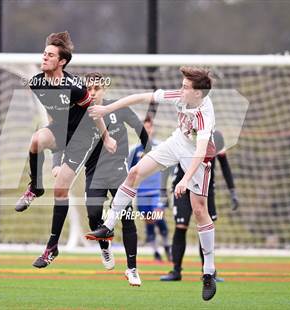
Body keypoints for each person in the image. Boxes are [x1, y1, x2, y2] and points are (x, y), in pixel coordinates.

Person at [85, 67, 218, 301]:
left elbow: (199, 152)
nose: (181, 89)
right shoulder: (180, 96)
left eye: (186, 87)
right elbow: (140, 97)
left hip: (199, 156)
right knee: (135, 172)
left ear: (198, 93)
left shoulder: (204, 115)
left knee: (199, 210)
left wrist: (185, 180)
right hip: (178, 141)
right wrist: (106, 108)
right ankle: (109, 225)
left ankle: (208, 272)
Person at [15, 32, 117, 269]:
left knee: (60, 191)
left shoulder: (76, 88)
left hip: (81, 138)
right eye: (44, 53)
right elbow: (52, 111)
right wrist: (54, 149)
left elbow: (93, 113)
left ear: (61, 61)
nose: (45, 57)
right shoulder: (37, 83)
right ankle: (35, 187)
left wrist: (107, 137)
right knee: (35, 141)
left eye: (50, 55)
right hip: (60, 130)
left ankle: (51, 248)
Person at [52, 72, 149, 286]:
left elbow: (140, 129)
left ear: (104, 90)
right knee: (94, 214)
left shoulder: (119, 108)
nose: (93, 92)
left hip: (119, 172)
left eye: (97, 89)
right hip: (94, 173)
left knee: (126, 217)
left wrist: (148, 153)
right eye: (90, 89)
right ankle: (105, 247)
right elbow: (61, 138)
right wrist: (57, 164)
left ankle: (132, 269)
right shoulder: (78, 114)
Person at [160, 130, 239, 282]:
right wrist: (163, 191)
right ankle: (176, 271)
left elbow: (224, 164)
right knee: (181, 226)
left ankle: (208, 272)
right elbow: (167, 163)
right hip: (182, 186)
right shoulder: (184, 133)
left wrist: (232, 191)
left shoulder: (217, 137)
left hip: (205, 187)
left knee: (205, 228)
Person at [128, 116, 171, 262]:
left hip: (157, 192)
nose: (147, 130)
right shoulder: (134, 151)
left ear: (153, 129)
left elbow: (169, 168)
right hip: (141, 194)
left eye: (149, 127)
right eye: (144, 128)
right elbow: (129, 173)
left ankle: (167, 247)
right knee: (149, 222)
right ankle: (156, 253)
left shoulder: (161, 147)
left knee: (159, 218)